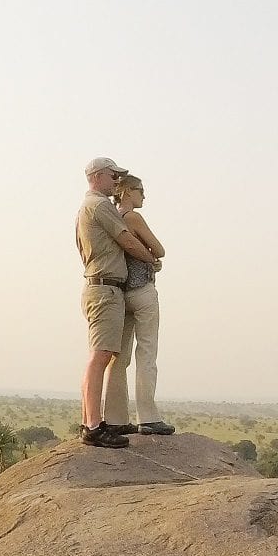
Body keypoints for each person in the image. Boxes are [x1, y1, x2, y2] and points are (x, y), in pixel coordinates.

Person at [75, 156, 159, 448]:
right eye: (113, 176)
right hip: (105, 288)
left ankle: (95, 421)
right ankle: (93, 426)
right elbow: (129, 241)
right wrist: (151, 260)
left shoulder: (89, 207)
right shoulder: (99, 205)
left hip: (102, 287)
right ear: (98, 176)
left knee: (103, 357)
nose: (117, 181)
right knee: (101, 357)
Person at [103, 174, 175, 436]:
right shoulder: (131, 217)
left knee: (118, 358)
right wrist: (152, 257)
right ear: (127, 191)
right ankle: (148, 416)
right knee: (146, 353)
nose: (144, 196)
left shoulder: (110, 218)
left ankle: (114, 418)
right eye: (140, 191)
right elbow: (160, 249)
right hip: (142, 290)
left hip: (120, 293)